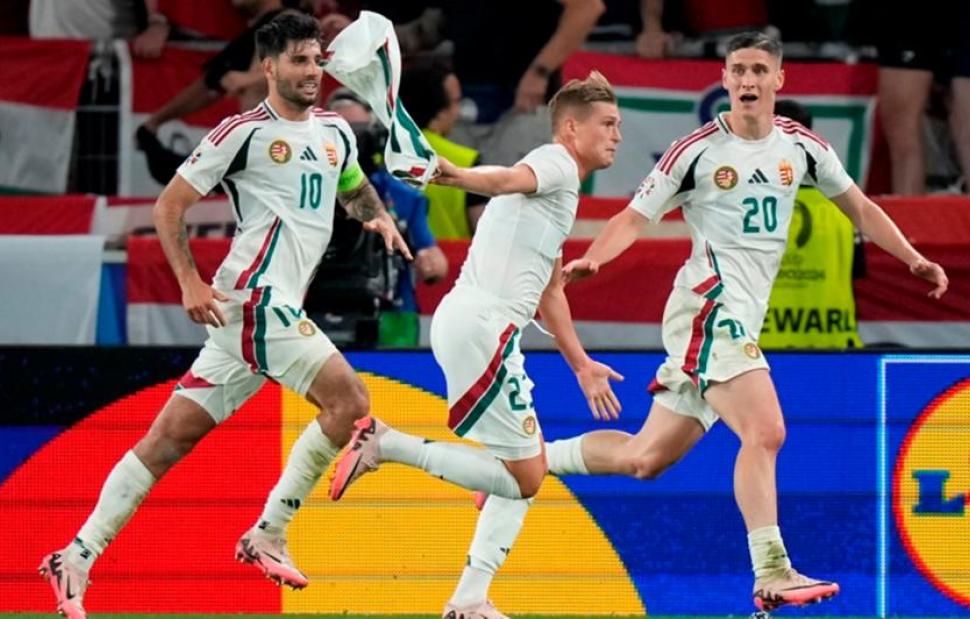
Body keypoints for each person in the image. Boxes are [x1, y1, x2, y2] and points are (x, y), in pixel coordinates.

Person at [541, 32, 949, 613]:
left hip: (739, 320)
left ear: (779, 79)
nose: (748, 80)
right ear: (725, 79)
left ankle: (528, 460)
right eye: (738, 70)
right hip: (709, 308)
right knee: (766, 431)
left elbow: (860, 207)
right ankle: (772, 571)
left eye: (759, 69)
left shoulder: (802, 148)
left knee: (644, 458)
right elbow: (634, 216)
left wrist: (912, 258)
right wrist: (595, 258)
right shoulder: (696, 150)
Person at [38, 13, 411, 619]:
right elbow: (169, 207)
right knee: (350, 403)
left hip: (260, 313)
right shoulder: (241, 132)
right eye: (298, 60)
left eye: (317, 60)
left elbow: (351, 185)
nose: (312, 71)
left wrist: (377, 216)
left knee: (168, 440)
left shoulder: (336, 130)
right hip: (256, 299)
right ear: (268, 66)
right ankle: (269, 531)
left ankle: (74, 556)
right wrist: (189, 280)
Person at [327, 71, 625, 619]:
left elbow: (550, 291)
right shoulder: (555, 163)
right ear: (570, 128)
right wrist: (456, 175)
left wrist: (582, 364)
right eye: (607, 124)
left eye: (618, 125)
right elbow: (506, 179)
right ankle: (385, 444)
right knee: (527, 476)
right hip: (483, 326)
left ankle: (469, 599)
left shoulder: (560, 190)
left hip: (478, 326)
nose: (617, 135)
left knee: (521, 473)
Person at [327, 88, 449, 346]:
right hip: (316, 310)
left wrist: (432, 263)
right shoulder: (305, 192)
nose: (350, 143)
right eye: (338, 133)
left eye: (358, 132)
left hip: (392, 317)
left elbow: (434, 261)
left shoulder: (401, 195)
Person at [399, 62, 488, 239]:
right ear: (439, 111)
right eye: (456, 101)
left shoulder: (376, 155)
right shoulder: (466, 161)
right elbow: (486, 234)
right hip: (452, 256)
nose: (459, 111)